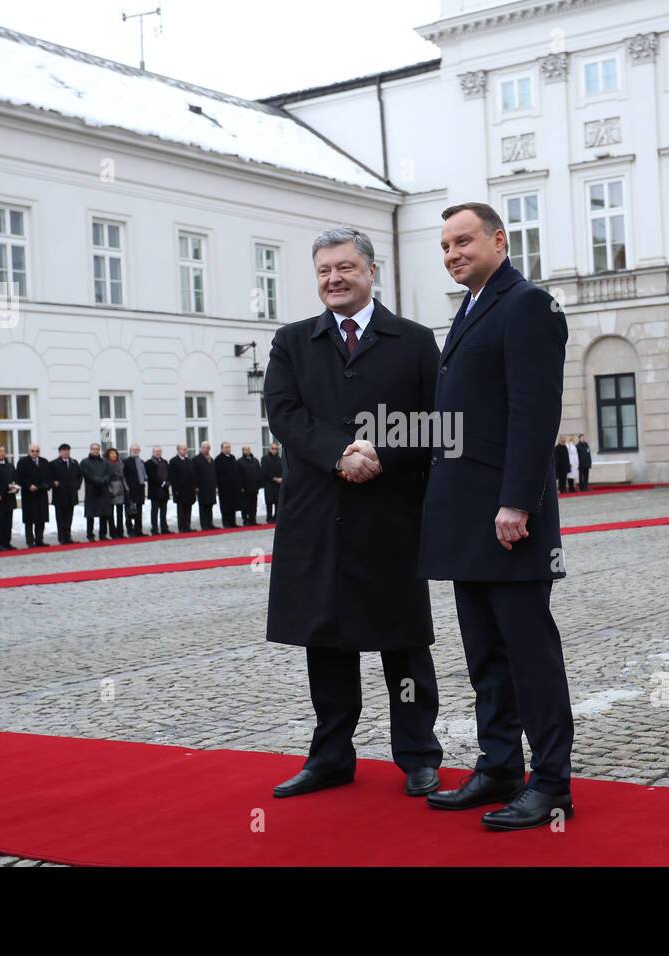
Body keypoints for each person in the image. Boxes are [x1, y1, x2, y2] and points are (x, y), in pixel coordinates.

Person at [263, 224, 442, 801]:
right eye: (323, 271)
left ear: (371, 272)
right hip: (318, 517)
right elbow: (285, 416)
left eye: (345, 268)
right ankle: (332, 755)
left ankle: (418, 755)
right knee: (327, 643)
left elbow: (436, 424)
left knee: (403, 644)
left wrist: (380, 454)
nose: (334, 279)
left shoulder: (413, 341)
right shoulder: (292, 342)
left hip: (391, 517)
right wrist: (340, 454)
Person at [419, 201, 573, 830]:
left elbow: (533, 413)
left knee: (528, 652)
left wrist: (517, 501)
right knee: (485, 653)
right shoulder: (470, 309)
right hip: (467, 517)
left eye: (464, 242)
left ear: (499, 240)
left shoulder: (526, 303)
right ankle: (501, 763)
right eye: (446, 246)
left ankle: (553, 782)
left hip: (511, 517)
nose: (453, 254)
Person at [16, 444, 52, 547]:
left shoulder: (44, 462)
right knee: (29, 520)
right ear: (28, 451)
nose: (35, 453)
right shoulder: (22, 462)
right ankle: (30, 541)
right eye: (32, 451)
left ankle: (39, 540)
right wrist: (28, 485)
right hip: (29, 495)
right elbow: (19, 478)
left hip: (41, 494)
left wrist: (44, 485)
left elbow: (49, 477)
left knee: (41, 519)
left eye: (37, 451)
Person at [49, 443, 81, 544]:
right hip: (59, 495)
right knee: (60, 517)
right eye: (64, 450)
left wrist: (76, 486)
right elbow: (50, 477)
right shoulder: (53, 463)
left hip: (71, 494)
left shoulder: (74, 462)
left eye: (67, 450)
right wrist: (54, 483)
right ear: (60, 452)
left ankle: (68, 536)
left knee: (69, 517)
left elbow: (79, 476)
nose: (66, 452)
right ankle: (62, 537)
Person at [79, 443, 109, 540]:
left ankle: (103, 534)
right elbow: (86, 474)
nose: (96, 451)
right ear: (90, 450)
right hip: (91, 490)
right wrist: (96, 480)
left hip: (103, 489)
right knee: (90, 515)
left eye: (97, 449)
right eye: (94, 449)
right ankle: (90, 534)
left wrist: (103, 480)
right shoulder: (85, 462)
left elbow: (109, 473)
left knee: (103, 514)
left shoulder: (105, 462)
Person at [169, 443, 196, 532]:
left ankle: (188, 526)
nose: (185, 451)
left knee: (188, 509)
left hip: (189, 490)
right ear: (178, 450)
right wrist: (176, 490)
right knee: (181, 510)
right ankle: (182, 527)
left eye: (186, 449)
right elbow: (173, 477)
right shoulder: (173, 461)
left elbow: (192, 475)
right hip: (180, 490)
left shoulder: (189, 460)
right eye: (183, 449)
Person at [122, 443, 147, 536]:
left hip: (140, 489)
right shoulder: (125, 461)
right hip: (130, 490)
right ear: (130, 451)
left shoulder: (141, 461)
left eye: (137, 449)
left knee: (139, 511)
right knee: (129, 511)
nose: (135, 451)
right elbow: (123, 476)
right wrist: (126, 488)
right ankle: (130, 530)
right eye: (133, 449)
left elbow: (144, 475)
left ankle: (138, 530)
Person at [145, 445, 171, 534]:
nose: (158, 452)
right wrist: (163, 483)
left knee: (164, 511)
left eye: (159, 451)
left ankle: (164, 528)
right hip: (155, 491)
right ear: (153, 452)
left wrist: (168, 482)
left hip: (164, 490)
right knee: (155, 511)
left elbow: (168, 473)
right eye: (156, 451)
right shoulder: (149, 463)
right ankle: (154, 529)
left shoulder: (165, 462)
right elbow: (151, 476)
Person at [193, 441, 218, 531]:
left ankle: (209, 523)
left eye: (207, 448)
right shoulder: (196, 459)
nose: (205, 449)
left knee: (210, 506)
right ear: (201, 448)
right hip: (201, 487)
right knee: (203, 506)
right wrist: (196, 486)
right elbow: (194, 474)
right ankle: (204, 524)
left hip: (210, 487)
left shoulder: (211, 459)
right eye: (204, 447)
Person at [214, 442, 239, 528]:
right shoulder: (218, 459)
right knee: (225, 506)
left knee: (233, 505)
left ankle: (233, 522)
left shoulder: (232, 458)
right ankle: (226, 523)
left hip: (233, 487)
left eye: (229, 447)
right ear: (222, 449)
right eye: (226, 447)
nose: (228, 449)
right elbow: (218, 474)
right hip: (224, 488)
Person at [104, 447, 127, 538]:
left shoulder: (120, 463)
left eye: (115, 453)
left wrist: (126, 487)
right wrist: (109, 489)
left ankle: (120, 532)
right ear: (108, 455)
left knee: (120, 512)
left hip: (120, 488)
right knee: (110, 513)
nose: (114, 455)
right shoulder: (106, 464)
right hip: (111, 488)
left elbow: (123, 476)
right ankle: (113, 533)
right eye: (111, 454)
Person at [237, 444, 261, 526]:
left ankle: (253, 519)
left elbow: (259, 472)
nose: (247, 451)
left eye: (248, 449)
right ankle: (246, 520)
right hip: (245, 488)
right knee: (245, 505)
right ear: (243, 451)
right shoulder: (240, 461)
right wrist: (241, 487)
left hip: (254, 487)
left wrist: (259, 484)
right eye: (245, 450)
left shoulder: (255, 460)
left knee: (253, 504)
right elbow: (238, 475)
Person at [261, 442, 283, 522]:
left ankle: (276, 517)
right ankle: (269, 517)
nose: (274, 450)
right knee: (269, 502)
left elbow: (283, 470)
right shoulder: (265, 459)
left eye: (276, 449)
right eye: (272, 448)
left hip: (278, 484)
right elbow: (264, 471)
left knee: (278, 502)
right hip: (269, 484)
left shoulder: (280, 459)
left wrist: (281, 478)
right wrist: (274, 478)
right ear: (269, 449)